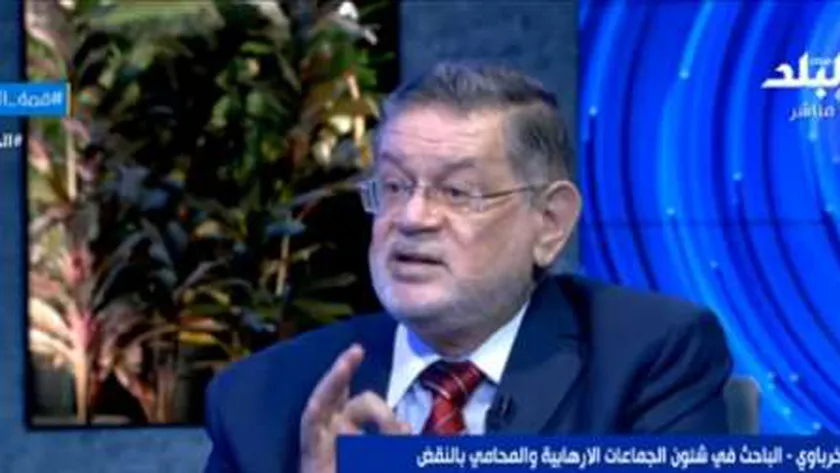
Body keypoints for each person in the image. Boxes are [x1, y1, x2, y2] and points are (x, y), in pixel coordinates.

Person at [202, 61, 733, 473]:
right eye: (394, 186)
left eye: (457, 191)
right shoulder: (261, 399)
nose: (412, 218)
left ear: (549, 222)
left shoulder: (648, 356)